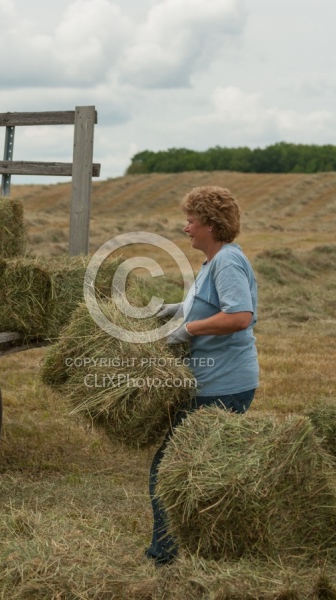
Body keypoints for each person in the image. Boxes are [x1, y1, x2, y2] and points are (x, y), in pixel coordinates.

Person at [145, 185, 259, 567]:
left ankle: (167, 555)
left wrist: (187, 331)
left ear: (210, 224)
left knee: (168, 471)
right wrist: (172, 310)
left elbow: (239, 316)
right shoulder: (214, 262)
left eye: (191, 221)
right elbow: (209, 305)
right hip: (216, 383)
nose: (185, 228)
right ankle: (207, 547)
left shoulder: (227, 262)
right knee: (200, 470)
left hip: (222, 386)